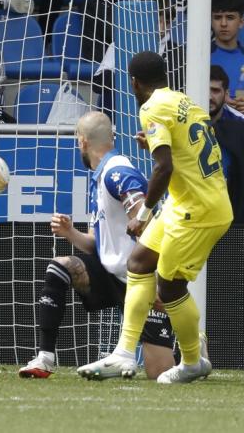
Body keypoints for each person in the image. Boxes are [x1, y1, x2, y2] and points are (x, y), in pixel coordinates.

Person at [78, 51, 232, 383]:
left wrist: (144, 213)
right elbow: (185, 152)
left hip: (198, 209)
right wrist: (154, 147)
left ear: (134, 82)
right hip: (187, 200)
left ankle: (193, 361)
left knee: (170, 288)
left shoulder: (151, 108)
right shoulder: (184, 101)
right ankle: (122, 352)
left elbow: (165, 167)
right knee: (139, 263)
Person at [19, 111, 175, 380]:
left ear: (82, 142)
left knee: (160, 373)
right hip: (111, 274)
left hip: (141, 279)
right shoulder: (99, 177)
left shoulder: (117, 173)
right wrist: (71, 234)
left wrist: (160, 281)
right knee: (61, 267)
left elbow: (147, 224)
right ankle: (45, 358)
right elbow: (96, 245)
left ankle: (191, 339)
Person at [209, 65, 244, 224]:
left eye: (215, 91)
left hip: (232, 215)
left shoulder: (241, 125)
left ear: (226, 94)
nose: (209, 96)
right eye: (205, 89)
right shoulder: (183, 121)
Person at [210, 0, 244, 114]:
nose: (223, 24)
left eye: (230, 17)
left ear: (241, 22)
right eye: (218, 17)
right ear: (211, 21)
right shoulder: (199, 58)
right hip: (210, 126)